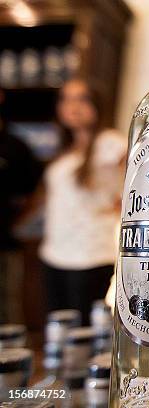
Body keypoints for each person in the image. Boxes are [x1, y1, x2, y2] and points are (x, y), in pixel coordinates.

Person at [38, 78, 126, 323]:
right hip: (55, 253)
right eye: (66, 99)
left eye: (82, 99)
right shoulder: (66, 150)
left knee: (84, 334)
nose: (73, 106)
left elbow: (143, 178)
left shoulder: (110, 143)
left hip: (91, 256)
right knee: (58, 332)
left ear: (96, 105)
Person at [0, 87, 43, 323]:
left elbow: (34, 193)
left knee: (7, 309)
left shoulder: (15, 146)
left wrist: (15, 224)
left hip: (5, 245)